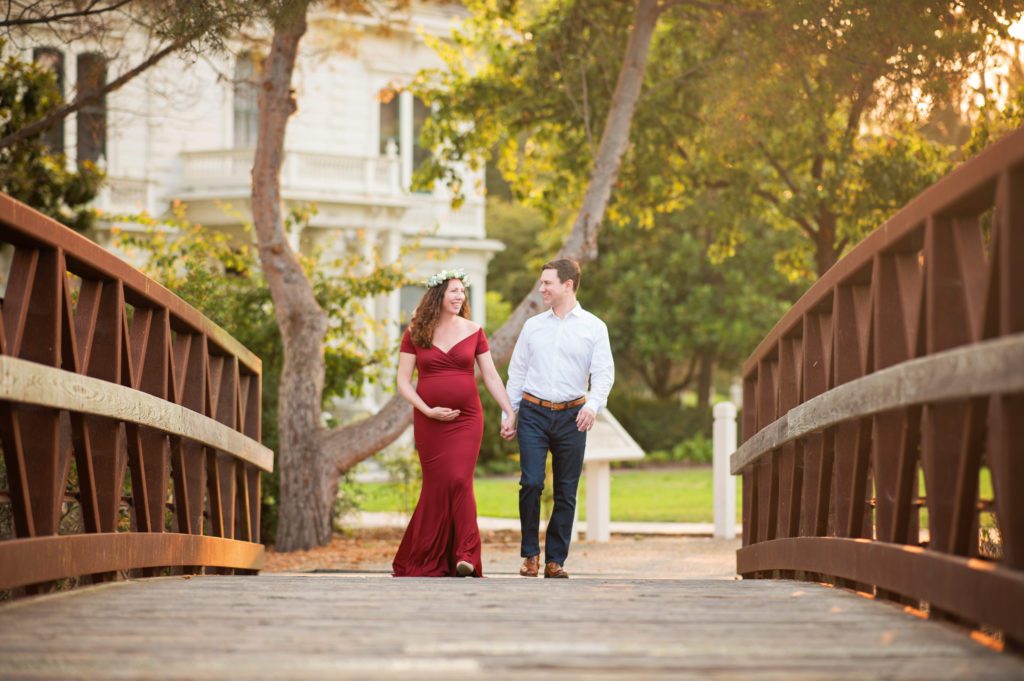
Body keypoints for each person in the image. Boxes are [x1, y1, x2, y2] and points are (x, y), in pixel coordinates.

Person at [392, 268, 516, 577]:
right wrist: (426, 410)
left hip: (467, 420)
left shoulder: (474, 330)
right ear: (438, 296)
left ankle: (466, 555)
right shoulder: (416, 332)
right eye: (454, 291)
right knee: (437, 486)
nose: (460, 296)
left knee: (460, 480)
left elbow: (489, 375)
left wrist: (509, 411)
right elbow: (403, 382)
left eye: (462, 291)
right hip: (429, 421)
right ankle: (425, 555)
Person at [502, 258, 614, 579]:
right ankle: (530, 555)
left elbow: (603, 373)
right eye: (542, 283)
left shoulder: (594, 327)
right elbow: (518, 372)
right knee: (532, 483)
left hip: (573, 415)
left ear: (568, 285)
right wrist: (510, 413)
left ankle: (555, 560)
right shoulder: (533, 326)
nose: (542, 288)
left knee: (566, 490)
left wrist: (593, 405)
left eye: (547, 283)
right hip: (534, 413)